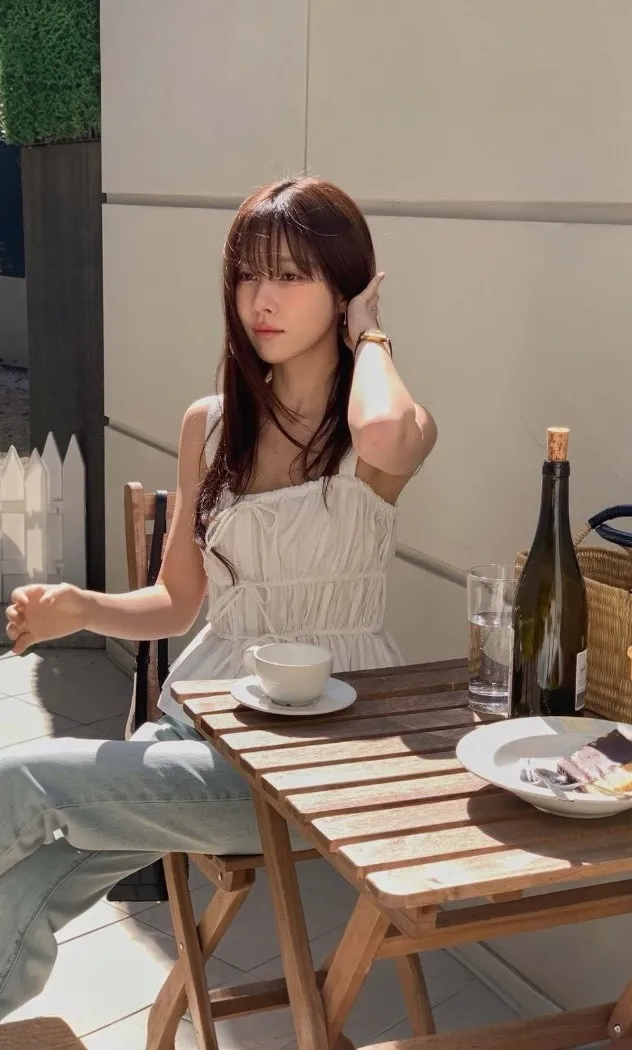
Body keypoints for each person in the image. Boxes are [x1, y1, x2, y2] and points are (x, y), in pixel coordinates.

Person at [0, 176, 437, 1016]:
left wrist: (372, 332)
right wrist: (81, 607)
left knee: (24, 783)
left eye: (292, 276)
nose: (261, 299)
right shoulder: (211, 424)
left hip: (312, 758)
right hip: (196, 725)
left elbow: (384, 432)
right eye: (247, 275)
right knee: (36, 883)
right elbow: (176, 601)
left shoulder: (384, 429)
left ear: (345, 290)